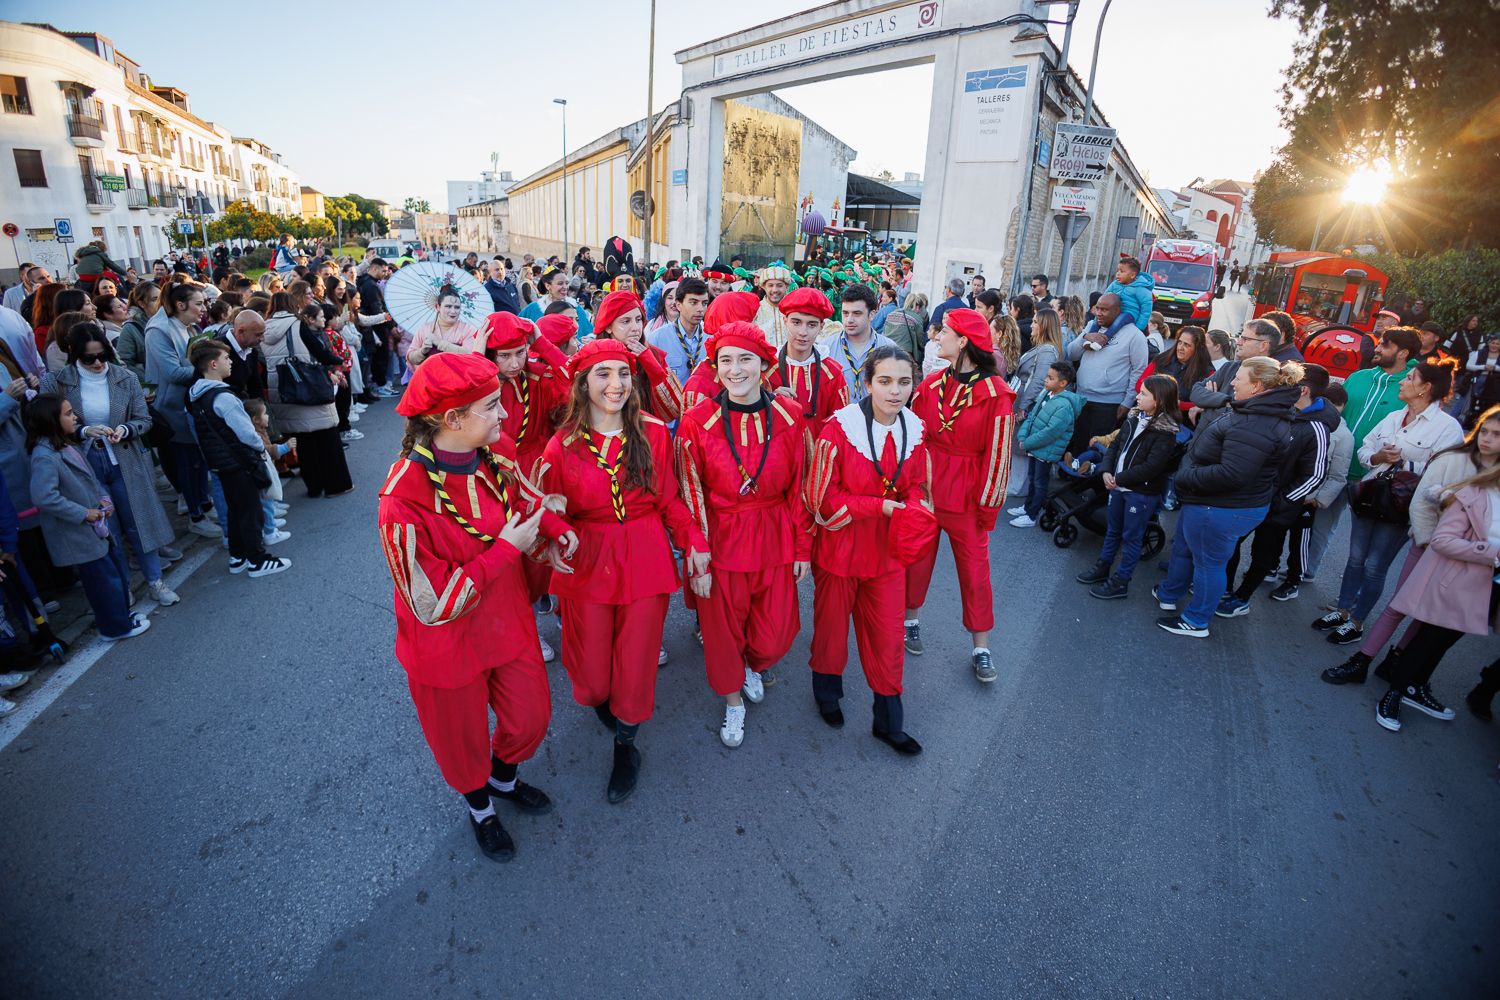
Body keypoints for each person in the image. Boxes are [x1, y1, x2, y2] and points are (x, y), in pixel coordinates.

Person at [377, 352, 573, 862]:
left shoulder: (496, 452)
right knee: (461, 746)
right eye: (491, 406)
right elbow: (432, 602)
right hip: (444, 644)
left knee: (530, 718)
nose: (504, 414)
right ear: (453, 419)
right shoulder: (402, 499)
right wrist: (508, 549)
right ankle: (481, 806)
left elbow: (528, 503)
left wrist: (556, 534)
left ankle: (503, 780)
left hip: (506, 623)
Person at [536, 339, 706, 803]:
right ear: (583, 383)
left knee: (635, 663)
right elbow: (547, 506)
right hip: (586, 556)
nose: (615, 385)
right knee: (591, 681)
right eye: (603, 375)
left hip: (644, 552)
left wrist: (693, 542)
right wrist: (555, 530)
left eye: (624, 374)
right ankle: (605, 703)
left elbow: (670, 498)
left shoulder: (653, 432)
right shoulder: (563, 442)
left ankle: (626, 745)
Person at [675, 322, 809, 748]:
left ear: (765, 365)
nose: (735, 370)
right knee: (722, 633)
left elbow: (800, 488)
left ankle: (754, 665)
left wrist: (803, 546)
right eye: (726, 361)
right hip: (722, 539)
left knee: (776, 633)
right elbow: (689, 490)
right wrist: (696, 552)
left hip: (774, 535)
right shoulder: (697, 421)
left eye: (745, 359)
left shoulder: (791, 417)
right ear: (715, 369)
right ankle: (733, 703)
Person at [806, 345, 930, 751]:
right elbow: (821, 498)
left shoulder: (914, 428)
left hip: (887, 554)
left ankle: (888, 721)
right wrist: (880, 506)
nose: (895, 391)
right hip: (841, 549)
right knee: (831, 631)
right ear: (866, 382)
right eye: (885, 381)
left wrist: (912, 506)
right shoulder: (838, 429)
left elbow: (916, 484)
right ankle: (827, 694)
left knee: (889, 639)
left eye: (904, 382)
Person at [1324, 404, 1500, 685]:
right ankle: (1361, 660)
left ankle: (1396, 661)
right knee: (1400, 606)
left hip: (1468, 560)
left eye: (1496, 435)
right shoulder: (1455, 459)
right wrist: (1427, 540)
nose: (1487, 439)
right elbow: (1421, 502)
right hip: (1431, 547)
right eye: (1485, 431)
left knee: (1427, 618)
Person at [1313, 363, 1464, 645]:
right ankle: (1343, 610)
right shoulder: (1395, 417)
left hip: (1401, 505)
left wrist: (1407, 462)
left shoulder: (1447, 428)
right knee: (1355, 559)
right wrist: (1378, 457)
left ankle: (1357, 622)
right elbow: (1365, 449)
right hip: (1370, 496)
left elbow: (1446, 474)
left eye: (1410, 378)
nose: (1402, 382)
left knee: (1374, 566)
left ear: (1425, 387)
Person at [902, 308, 1015, 681]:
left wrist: (988, 507)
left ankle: (981, 647)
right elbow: (911, 434)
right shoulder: (931, 384)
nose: (937, 337)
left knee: (975, 573)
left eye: (945, 332)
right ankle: (910, 620)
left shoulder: (996, 394)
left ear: (963, 341)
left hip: (967, 496)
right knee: (915, 559)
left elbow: (998, 456)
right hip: (927, 488)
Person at [1155, 358, 1304, 638]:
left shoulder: (1257, 422)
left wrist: (1184, 477)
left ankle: (1196, 620)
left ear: (1257, 386)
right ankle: (1172, 593)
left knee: (1209, 565)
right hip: (1217, 502)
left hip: (1221, 507)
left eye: (1240, 379)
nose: (1233, 383)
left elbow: (1232, 474)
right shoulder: (1258, 411)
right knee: (1196, 555)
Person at [39, 322, 178, 604]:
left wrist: (125, 430)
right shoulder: (57, 381)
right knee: (106, 531)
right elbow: (48, 423)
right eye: (89, 358)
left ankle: (155, 581)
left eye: (102, 354)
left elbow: (144, 418)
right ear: (74, 354)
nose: (98, 363)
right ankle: (121, 588)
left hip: (124, 456)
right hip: (84, 462)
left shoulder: (123, 377)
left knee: (140, 522)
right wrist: (81, 431)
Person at [1373, 462, 1500, 733]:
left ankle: (1414, 687)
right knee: (1428, 638)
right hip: (1462, 581)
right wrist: (1491, 552)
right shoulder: (1475, 494)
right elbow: (1442, 540)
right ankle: (1393, 694)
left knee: (1444, 642)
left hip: (1490, 588)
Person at [26, 395, 149, 641]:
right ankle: (114, 628)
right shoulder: (44, 455)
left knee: (112, 573)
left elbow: (90, 478)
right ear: (51, 420)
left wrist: (104, 499)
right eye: (68, 413)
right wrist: (84, 513)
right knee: (102, 581)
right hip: (78, 533)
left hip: (95, 525)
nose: (75, 417)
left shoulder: (65, 446)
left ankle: (121, 616)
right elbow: (43, 497)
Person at [1216, 363, 1336, 617]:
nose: (1283, 384)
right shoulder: (1282, 411)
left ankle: (1242, 598)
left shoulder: (1317, 428)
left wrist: (1280, 501)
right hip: (1250, 498)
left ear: (1303, 390)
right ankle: (1225, 589)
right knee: (1232, 542)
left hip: (1278, 506)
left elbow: (1314, 476)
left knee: (1263, 554)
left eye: (1289, 382)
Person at [1305, 327, 1418, 579]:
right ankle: (1304, 571)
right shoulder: (1358, 378)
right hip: (1334, 466)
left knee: (1363, 545)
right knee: (1319, 524)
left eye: (1384, 345)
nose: (1376, 349)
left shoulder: (1411, 387)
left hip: (1376, 478)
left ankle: (1350, 600)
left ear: (1403, 353)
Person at [186, 341, 289, 577]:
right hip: (239, 460)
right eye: (226, 358)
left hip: (220, 461)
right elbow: (246, 434)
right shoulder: (224, 397)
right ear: (213, 364)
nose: (230, 362)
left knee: (235, 510)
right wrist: (258, 449)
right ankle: (258, 560)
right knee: (251, 511)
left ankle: (238, 556)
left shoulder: (197, 394)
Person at [1076, 375, 1183, 598]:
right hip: (1118, 486)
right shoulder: (1134, 417)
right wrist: (1106, 470)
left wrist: (1119, 478)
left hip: (1140, 494)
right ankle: (1103, 566)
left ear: (1159, 400)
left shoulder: (1166, 432)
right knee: (1113, 531)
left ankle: (1121, 581)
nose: (1137, 396)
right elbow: (1115, 446)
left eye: (1144, 393)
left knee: (1132, 538)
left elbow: (1152, 467)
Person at [262, 286, 353, 499]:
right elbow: (321, 351)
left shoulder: (264, 328)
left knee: (303, 441)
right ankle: (335, 485)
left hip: (283, 390)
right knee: (327, 437)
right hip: (310, 385)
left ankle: (314, 487)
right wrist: (337, 362)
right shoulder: (298, 325)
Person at [144, 282, 218, 537]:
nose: (203, 308)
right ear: (180, 304)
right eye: (199, 303)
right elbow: (172, 372)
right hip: (171, 408)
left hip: (190, 404)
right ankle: (196, 515)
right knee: (186, 463)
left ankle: (205, 505)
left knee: (198, 461)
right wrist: (209, 369)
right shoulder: (158, 330)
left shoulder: (188, 325)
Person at [1063, 293, 1149, 453]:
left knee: (1096, 447)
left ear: (1117, 310)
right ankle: (1072, 475)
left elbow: (1139, 371)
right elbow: (1072, 354)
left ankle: (1091, 478)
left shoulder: (1134, 335)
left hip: (1109, 404)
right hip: (1081, 397)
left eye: (1105, 310)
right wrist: (1085, 337)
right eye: (1097, 308)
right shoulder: (1091, 326)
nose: (1099, 313)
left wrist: (1127, 401)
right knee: (1078, 443)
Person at [769, 287, 848, 445]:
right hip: (776, 457)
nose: (803, 332)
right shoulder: (767, 370)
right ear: (785, 321)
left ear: (822, 326)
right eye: (796, 322)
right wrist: (769, 397)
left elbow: (840, 425)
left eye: (811, 325)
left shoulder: (832, 373)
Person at [593, 290, 683, 422]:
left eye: (638, 319)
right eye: (626, 321)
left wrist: (650, 364)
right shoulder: (594, 357)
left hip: (647, 433)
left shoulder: (653, 354)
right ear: (608, 327)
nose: (636, 328)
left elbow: (676, 408)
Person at [1012, 361, 1083, 528]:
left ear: (1063, 383)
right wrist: (1022, 436)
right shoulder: (1046, 393)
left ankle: (1032, 515)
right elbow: (1032, 416)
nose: (1045, 380)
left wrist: (1027, 442)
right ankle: (1028, 506)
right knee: (1032, 478)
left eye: (1050, 378)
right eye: (1047, 376)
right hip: (1034, 447)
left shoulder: (1064, 405)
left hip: (1045, 450)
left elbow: (1050, 433)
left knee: (1039, 482)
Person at [819, 285, 895, 403]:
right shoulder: (826, 348)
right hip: (839, 417)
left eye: (857, 313)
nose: (849, 319)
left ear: (872, 314)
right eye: (845, 313)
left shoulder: (889, 349)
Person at [646, 277, 709, 385]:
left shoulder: (710, 337)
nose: (700, 309)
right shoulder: (657, 339)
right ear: (678, 305)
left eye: (704, 303)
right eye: (694, 302)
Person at [406, 285, 484, 368]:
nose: (453, 311)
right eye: (448, 306)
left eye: (457, 307)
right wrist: (422, 351)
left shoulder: (467, 329)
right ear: (438, 307)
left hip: (457, 378)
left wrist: (439, 343)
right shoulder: (425, 329)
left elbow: (470, 355)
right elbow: (410, 358)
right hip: (429, 378)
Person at [1140, 326, 1210, 415]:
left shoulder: (1207, 372)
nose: (1180, 348)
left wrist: (1180, 404)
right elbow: (1140, 384)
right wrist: (1155, 398)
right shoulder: (1161, 359)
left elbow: (1205, 403)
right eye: (1179, 342)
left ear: (1198, 348)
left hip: (1181, 421)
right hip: (1148, 413)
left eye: (1186, 345)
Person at [356, 258, 398, 397]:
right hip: (377, 326)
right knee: (381, 357)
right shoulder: (371, 286)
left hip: (370, 325)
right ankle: (380, 385)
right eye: (383, 270)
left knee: (376, 358)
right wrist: (391, 326)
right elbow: (377, 309)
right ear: (374, 268)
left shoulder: (365, 282)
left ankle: (376, 385)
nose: (385, 274)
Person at [519, 265, 593, 340]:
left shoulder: (575, 307)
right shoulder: (533, 309)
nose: (565, 287)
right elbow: (517, 329)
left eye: (567, 283)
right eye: (560, 283)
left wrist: (589, 339)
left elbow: (588, 331)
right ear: (548, 286)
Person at [1103, 256, 1155, 332]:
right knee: (1094, 323)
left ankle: (1105, 337)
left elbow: (1146, 311)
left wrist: (1138, 328)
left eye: (1122, 271)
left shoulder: (1141, 288)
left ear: (1132, 275)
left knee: (1121, 319)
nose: (1118, 274)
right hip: (1114, 313)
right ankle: (1089, 339)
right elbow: (1104, 298)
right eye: (1118, 271)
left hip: (1130, 315)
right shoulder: (1115, 284)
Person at [752, 264, 793, 346]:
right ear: (763, 286)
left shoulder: (794, 310)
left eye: (779, 285)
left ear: (787, 286)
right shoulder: (755, 310)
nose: (775, 290)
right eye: (770, 285)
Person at [881, 292, 928, 360]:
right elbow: (920, 341)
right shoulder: (916, 318)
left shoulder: (891, 314)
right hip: (904, 353)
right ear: (917, 307)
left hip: (887, 350)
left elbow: (884, 331)